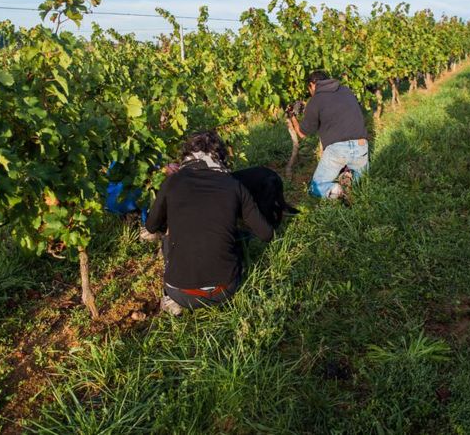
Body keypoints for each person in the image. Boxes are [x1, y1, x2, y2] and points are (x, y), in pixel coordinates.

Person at [145, 131, 273, 315]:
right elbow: (266, 234)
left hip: (181, 293)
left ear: (186, 155)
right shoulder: (233, 185)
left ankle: (171, 301)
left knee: (168, 236)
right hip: (225, 289)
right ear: (220, 156)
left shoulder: (172, 182)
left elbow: (151, 226)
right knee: (236, 236)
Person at [291, 70, 369, 198]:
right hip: (361, 146)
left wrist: (293, 116)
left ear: (312, 85)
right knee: (360, 188)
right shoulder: (346, 91)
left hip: (337, 151)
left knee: (315, 188)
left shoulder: (315, 100)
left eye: (309, 88)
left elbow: (302, 134)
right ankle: (349, 181)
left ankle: (336, 189)